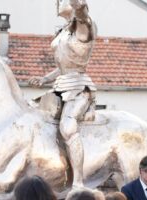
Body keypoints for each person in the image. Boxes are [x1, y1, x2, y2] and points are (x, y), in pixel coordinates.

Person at [28, 0, 96, 188]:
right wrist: (44, 79)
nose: (58, 3)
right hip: (60, 85)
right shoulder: (64, 31)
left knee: (67, 127)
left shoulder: (81, 27)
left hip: (78, 87)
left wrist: (78, 5)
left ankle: (79, 182)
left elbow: (82, 14)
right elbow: (63, 67)